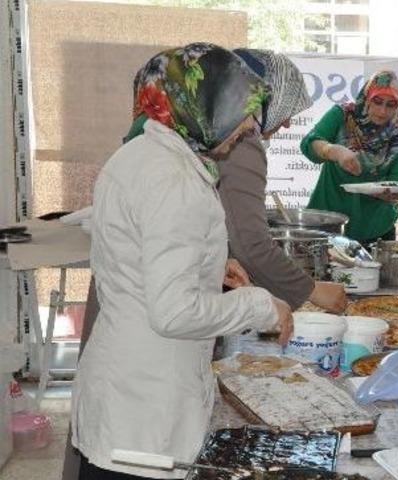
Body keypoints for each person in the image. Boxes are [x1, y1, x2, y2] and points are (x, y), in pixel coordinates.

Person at [71, 43, 292, 479]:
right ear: (204, 104)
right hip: (147, 413)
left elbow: (135, 248)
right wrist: (261, 304)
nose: (250, 124)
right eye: (243, 108)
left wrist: (207, 267)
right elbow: (174, 313)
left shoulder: (141, 154)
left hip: (122, 391)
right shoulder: (176, 179)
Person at [217, 48, 346, 313]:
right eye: (286, 106)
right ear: (264, 97)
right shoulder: (243, 142)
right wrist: (313, 290)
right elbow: (250, 244)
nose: (286, 123)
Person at [300, 71, 398, 245]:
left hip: (376, 229)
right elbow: (309, 143)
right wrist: (334, 151)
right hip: (327, 223)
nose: (382, 111)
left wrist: (395, 194)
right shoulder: (343, 115)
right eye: (377, 101)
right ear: (366, 97)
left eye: (391, 105)